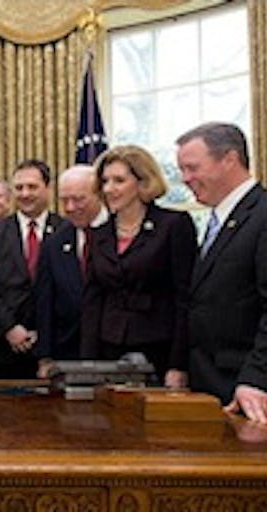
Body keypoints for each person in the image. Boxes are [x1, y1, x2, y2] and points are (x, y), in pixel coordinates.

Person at [81, 145, 197, 388]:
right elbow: (93, 300)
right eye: (105, 181)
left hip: (159, 349)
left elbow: (184, 298)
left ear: (143, 182)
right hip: (108, 348)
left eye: (119, 180)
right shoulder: (98, 234)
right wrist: (87, 365)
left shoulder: (173, 225)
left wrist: (179, 364)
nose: (109, 189)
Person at [177, 122, 267, 422]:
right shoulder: (219, 219)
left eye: (192, 168)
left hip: (247, 391)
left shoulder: (262, 215)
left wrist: (257, 378)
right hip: (210, 382)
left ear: (229, 159)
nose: (185, 179)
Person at [0, 159, 62, 378]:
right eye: (19, 188)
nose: (25, 194)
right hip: (2, 348)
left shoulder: (65, 230)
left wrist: (44, 334)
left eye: (32, 187)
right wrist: (10, 327)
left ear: (48, 188)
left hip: (55, 347)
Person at [34, 165, 108, 377]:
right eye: (64, 200)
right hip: (68, 352)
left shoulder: (120, 232)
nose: (69, 207)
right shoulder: (55, 242)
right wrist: (45, 356)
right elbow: (45, 302)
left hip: (113, 351)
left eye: (78, 199)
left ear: (99, 194)